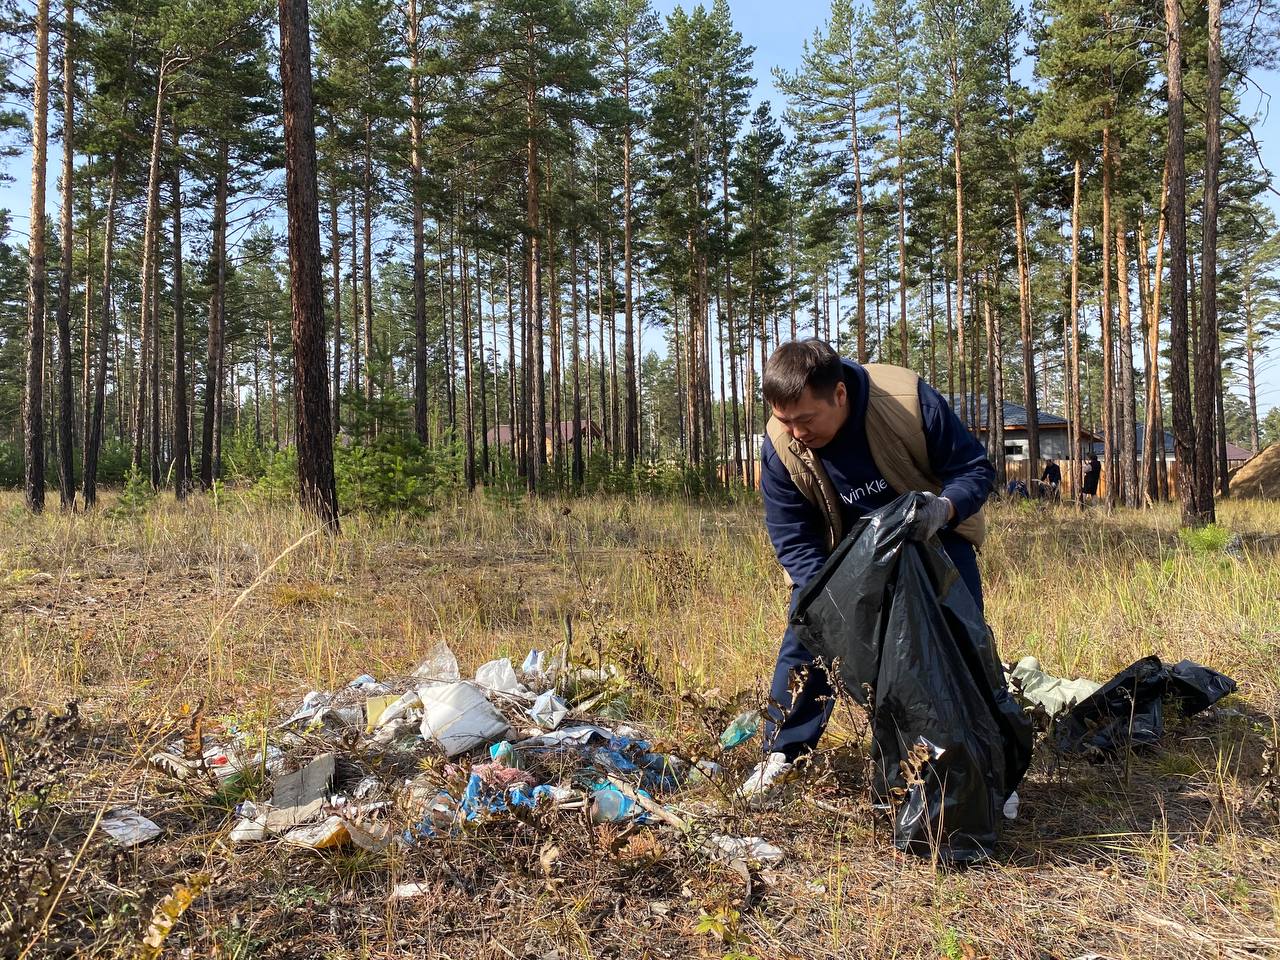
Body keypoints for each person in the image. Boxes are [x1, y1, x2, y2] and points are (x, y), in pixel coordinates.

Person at [743, 338, 994, 803]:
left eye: (805, 420)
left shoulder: (905, 401)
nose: (796, 433)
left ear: (839, 395)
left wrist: (943, 509)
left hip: (934, 539)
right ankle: (783, 754)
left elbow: (974, 469)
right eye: (785, 421)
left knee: (960, 643)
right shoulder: (780, 445)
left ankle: (988, 765)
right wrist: (830, 602)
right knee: (809, 630)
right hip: (846, 557)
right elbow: (792, 536)